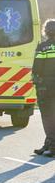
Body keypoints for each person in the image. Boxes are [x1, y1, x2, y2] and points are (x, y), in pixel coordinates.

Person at [32, 19, 55, 158]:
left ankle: (52, 146)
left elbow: (37, 68)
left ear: (46, 31)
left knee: (48, 117)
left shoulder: (43, 47)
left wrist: (36, 80)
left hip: (46, 87)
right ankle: (48, 144)